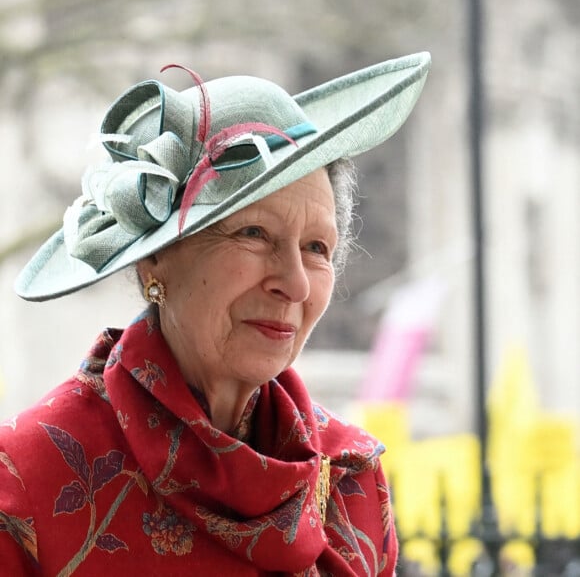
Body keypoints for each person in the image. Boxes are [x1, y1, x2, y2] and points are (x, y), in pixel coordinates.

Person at [0, 52, 430, 576]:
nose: (293, 283)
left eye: (316, 248)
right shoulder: (27, 478)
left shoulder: (351, 476)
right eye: (253, 234)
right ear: (156, 259)